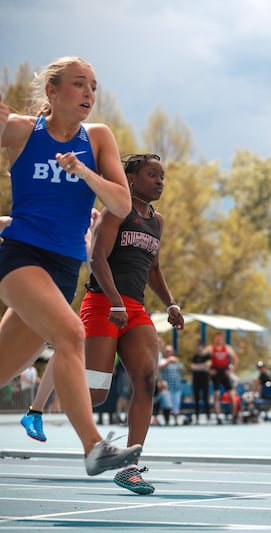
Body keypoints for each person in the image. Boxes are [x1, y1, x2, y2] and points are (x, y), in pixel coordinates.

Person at [0, 56, 142, 475]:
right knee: (71, 333)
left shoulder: (97, 138)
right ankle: (94, 447)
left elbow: (121, 202)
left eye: (93, 86)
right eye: (79, 85)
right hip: (21, 256)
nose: (89, 94)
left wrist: (83, 171)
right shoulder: (23, 130)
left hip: (64, 269)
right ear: (52, 91)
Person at [81, 152, 183, 493]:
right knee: (96, 393)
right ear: (131, 179)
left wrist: (170, 303)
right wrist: (113, 301)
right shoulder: (116, 210)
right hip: (103, 303)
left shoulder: (158, 221)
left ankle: (130, 466)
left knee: (147, 379)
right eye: (152, 174)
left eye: (162, 176)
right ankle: (60, 372)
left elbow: (153, 269)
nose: (159, 181)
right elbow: (96, 258)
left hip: (135, 309)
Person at [21, 208, 100, 441]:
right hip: (39, 295)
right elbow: (91, 262)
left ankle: (35, 412)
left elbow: (91, 265)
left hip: (56, 297)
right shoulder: (66, 223)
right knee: (19, 361)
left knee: (66, 344)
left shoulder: (81, 224)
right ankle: (35, 412)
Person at [206, 333, 239, 423]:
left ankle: (234, 416)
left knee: (232, 394)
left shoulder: (227, 348)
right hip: (216, 373)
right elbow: (203, 358)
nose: (218, 340)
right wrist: (209, 369)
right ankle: (218, 417)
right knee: (217, 395)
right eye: (217, 338)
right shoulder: (210, 348)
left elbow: (236, 358)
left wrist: (232, 371)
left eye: (220, 338)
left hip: (225, 372)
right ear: (214, 339)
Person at [158, 345, 185, 426]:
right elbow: (160, 367)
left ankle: (176, 421)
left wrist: (178, 363)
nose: (169, 353)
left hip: (176, 386)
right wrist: (169, 361)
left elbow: (182, 369)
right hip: (167, 388)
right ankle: (167, 421)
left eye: (170, 351)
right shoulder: (163, 360)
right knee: (167, 405)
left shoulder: (176, 361)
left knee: (176, 405)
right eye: (167, 351)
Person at [190, 339, 212, 424]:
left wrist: (198, 366)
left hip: (205, 380)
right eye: (197, 347)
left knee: (206, 399)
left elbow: (208, 365)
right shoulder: (195, 357)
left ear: (203, 347)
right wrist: (202, 366)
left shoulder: (207, 356)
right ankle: (197, 418)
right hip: (196, 380)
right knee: (196, 399)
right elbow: (192, 367)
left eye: (200, 347)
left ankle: (208, 418)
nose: (198, 349)